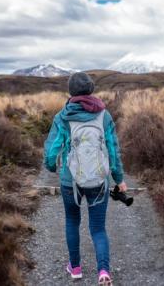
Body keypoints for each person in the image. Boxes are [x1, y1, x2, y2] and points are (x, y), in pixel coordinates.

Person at [43, 71, 127, 286]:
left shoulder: (62, 116)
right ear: (91, 89)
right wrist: (119, 178)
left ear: (71, 91)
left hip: (70, 181)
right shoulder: (104, 115)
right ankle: (104, 271)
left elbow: (52, 150)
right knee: (98, 228)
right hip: (99, 181)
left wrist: (51, 166)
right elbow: (113, 150)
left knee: (72, 222)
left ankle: (76, 268)